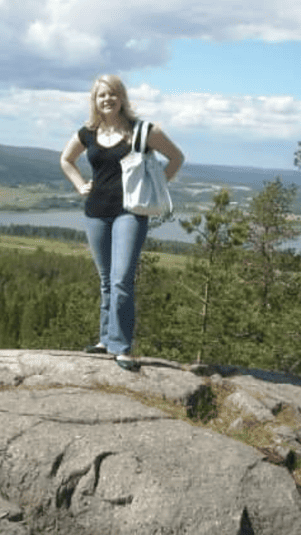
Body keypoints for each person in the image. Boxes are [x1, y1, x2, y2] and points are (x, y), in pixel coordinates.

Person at [60, 74, 184, 371]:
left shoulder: (143, 131)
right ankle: (105, 340)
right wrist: (80, 185)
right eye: (102, 95)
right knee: (106, 281)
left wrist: (156, 187)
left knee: (122, 280)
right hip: (96, 211)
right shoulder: (88, 132)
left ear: (122, 98)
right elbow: (66, 159)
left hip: (130, 212)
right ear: (95, 100)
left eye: (113, 94)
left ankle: (122, 346)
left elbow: (176, 158)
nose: (107, 99)